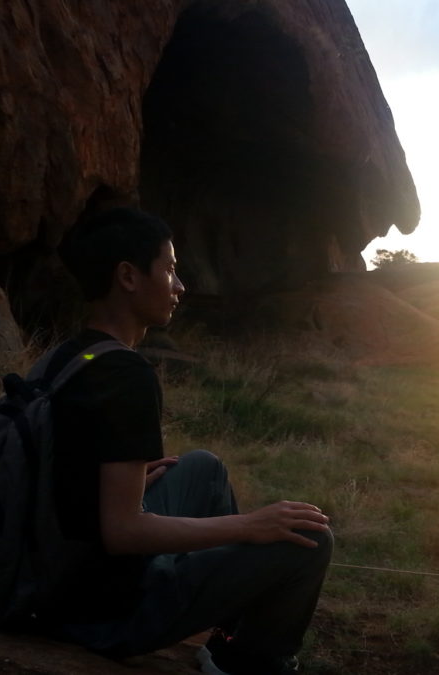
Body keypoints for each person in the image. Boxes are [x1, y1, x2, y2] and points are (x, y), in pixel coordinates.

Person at [41, 206, 332, 675]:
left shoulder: (74, 356)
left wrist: (115, 485)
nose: (180, 287)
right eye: (171, 270)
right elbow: (122, 533)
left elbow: (63, 463)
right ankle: (242, 659)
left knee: (203, 468)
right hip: (101, 614)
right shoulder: (126, 377)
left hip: (57, 573)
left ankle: (227, 626)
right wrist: (248, 526)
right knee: (309, 537)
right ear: (129, 277)